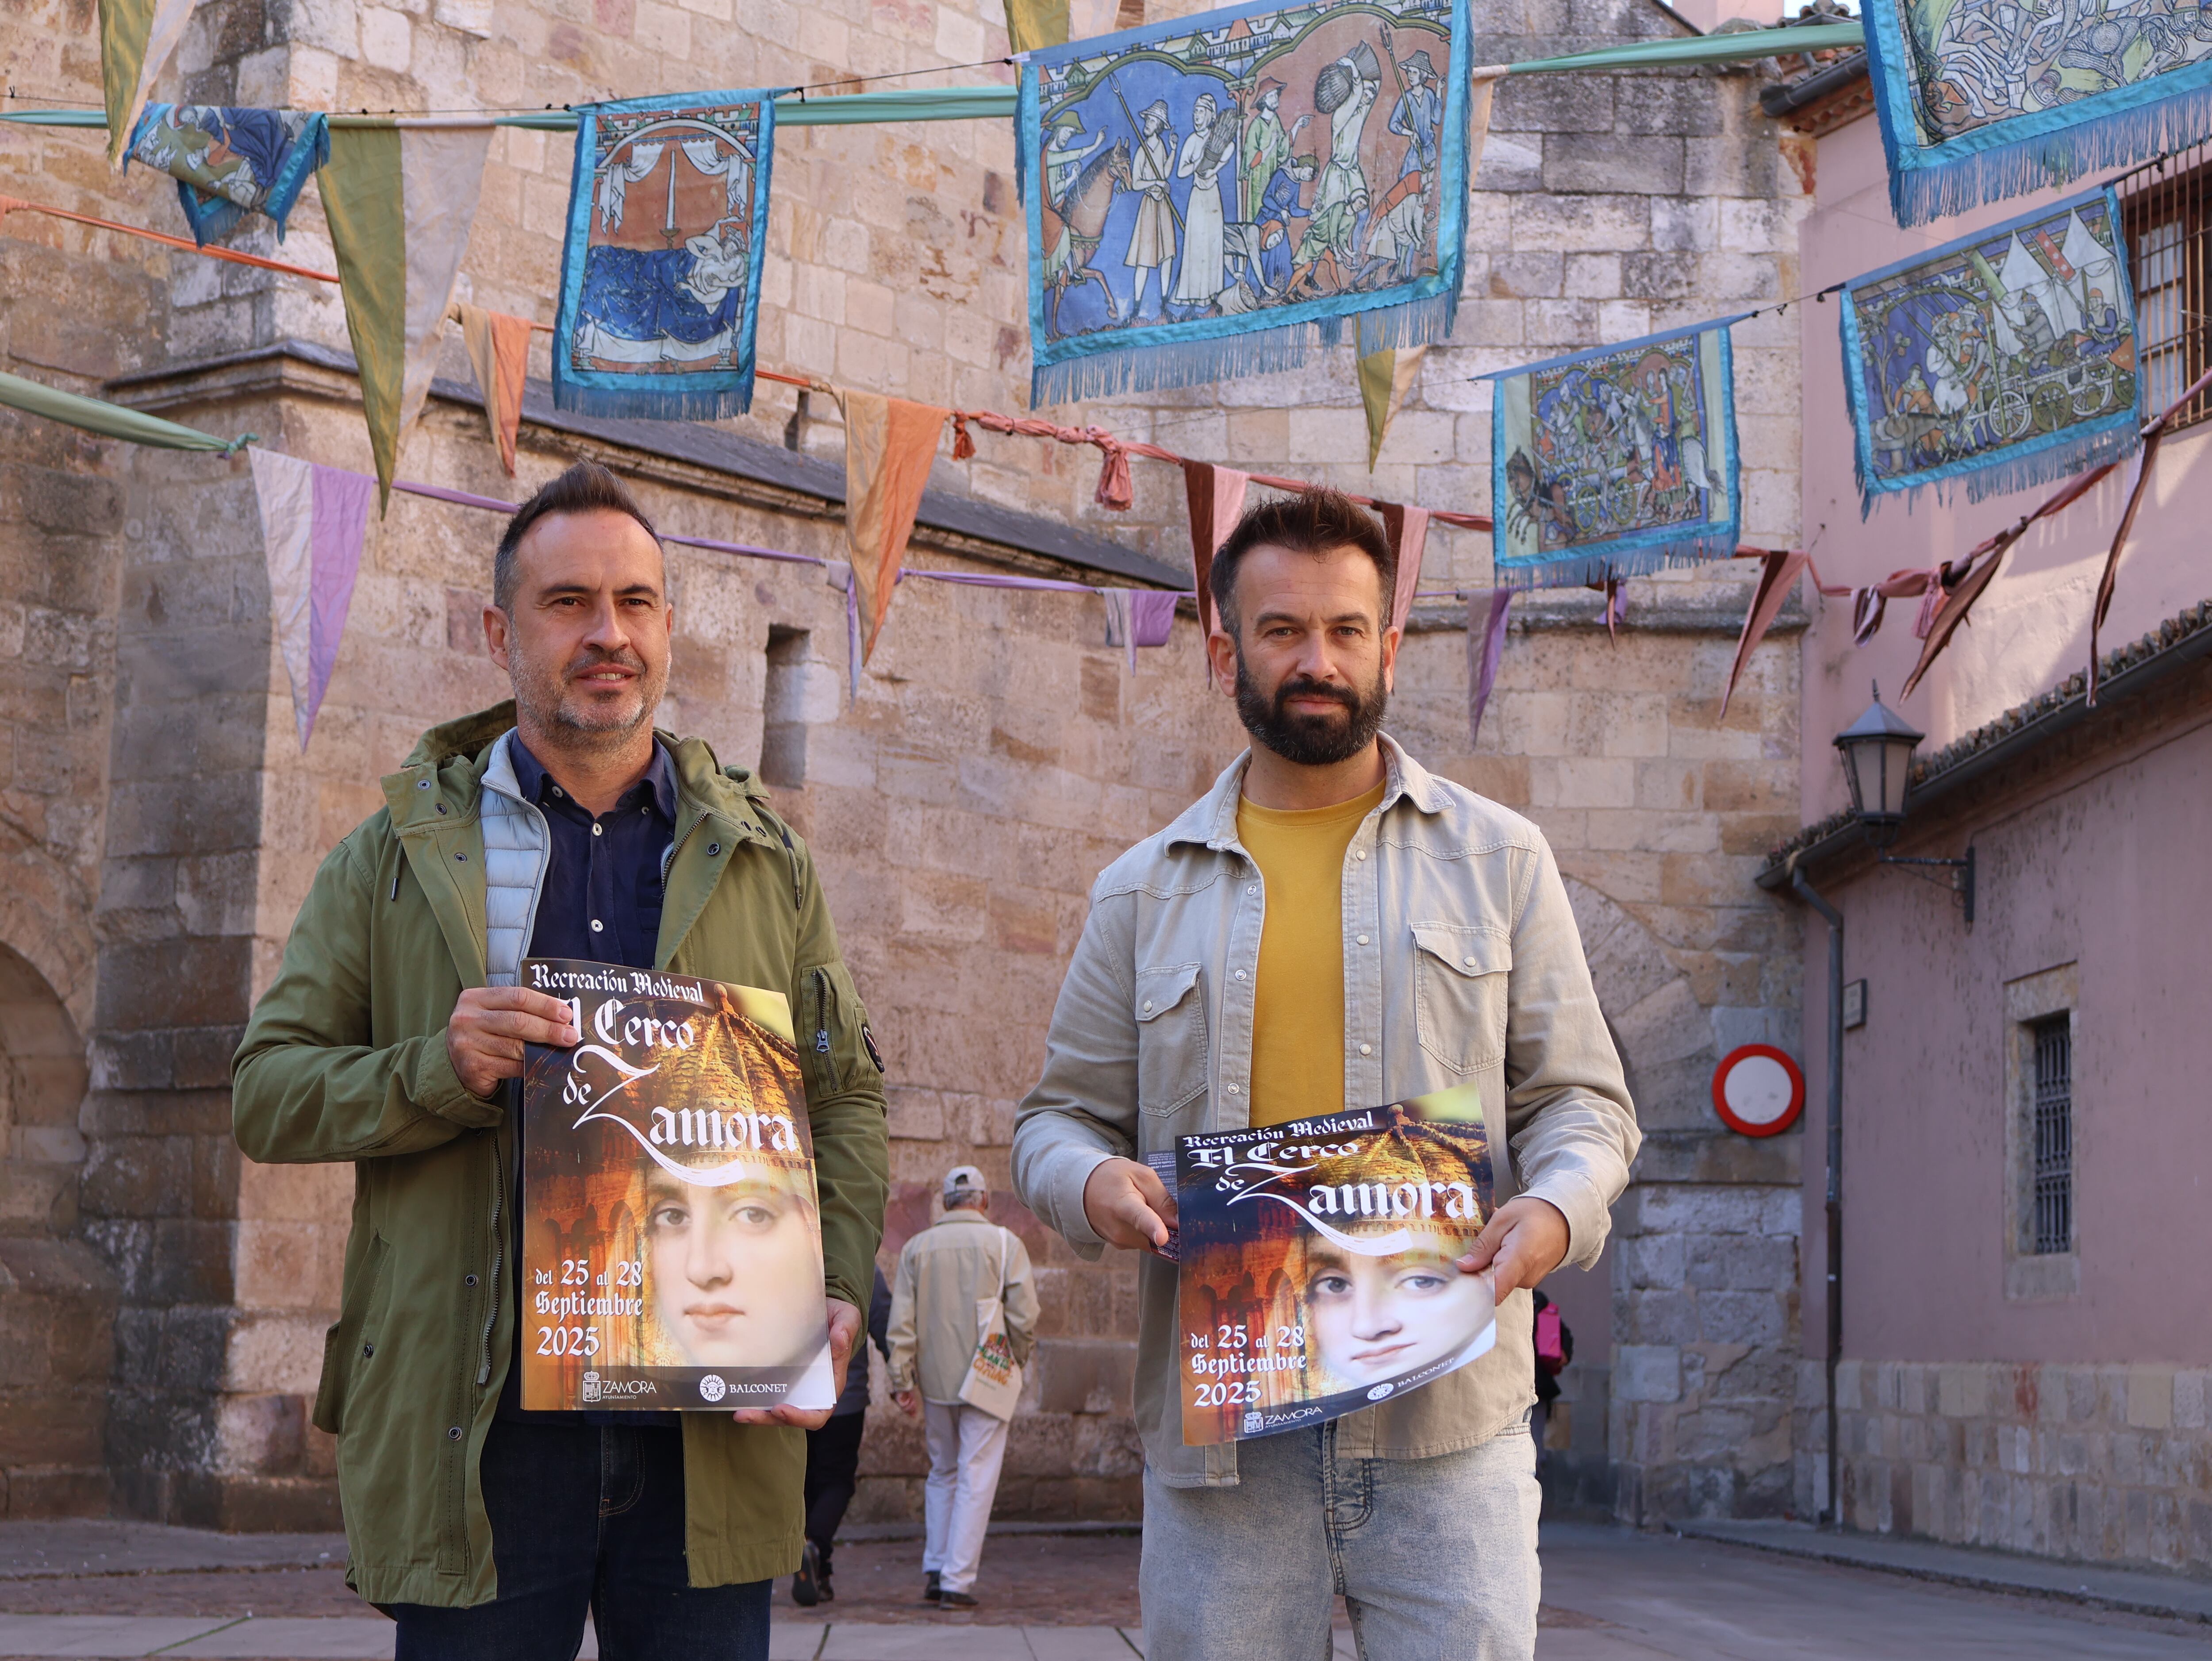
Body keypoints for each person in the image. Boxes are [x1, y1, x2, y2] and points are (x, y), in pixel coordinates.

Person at [231, 461, 890, 1661]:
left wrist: (839, 1283)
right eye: (569, 602)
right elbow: (267, 1091)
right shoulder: (390, 856)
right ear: (500, 630)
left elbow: (840, 1089)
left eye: (636, 603)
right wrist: (435, 1068)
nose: (608, 634)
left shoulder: (766, 860)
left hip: (708, 1423)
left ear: (669, 628)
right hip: (478, 1428)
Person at [1012, 488, 1639, 1661]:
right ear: (1224, 649)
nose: (1318, 660)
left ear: (1390, 649)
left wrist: (1556, 1211)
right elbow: (1055, 1119)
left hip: (1448, 1434)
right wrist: (1092, 1185)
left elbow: (1582, 1102)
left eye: (1348, 630)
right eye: (1283, 630)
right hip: (1225, 1448)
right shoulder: (1138, 891)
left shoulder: (1503, 860)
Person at [887, 1166, 1038, 1611]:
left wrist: (902, 1379)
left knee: (943, 1470)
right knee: (976, 1472)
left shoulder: (916, 1248)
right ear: (983, 1201)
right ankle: (956, 1578)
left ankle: (936, 1566)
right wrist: (1016, 1358)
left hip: (935, 1379)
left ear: (946, 1203)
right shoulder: (1004, 1243)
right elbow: (1024, 1316)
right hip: (988, 1374)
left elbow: (902, 1322)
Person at [794, 1264, 894, 1607]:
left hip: (794, 1395)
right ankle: (817, 1547)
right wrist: (901, 1375)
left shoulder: (786, 1259)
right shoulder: (860, 1266)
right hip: (844, 1397)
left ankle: (817, 1564)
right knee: (837, 1480)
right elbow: (884, 1322)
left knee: (804, 1481)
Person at [1168, 93, 1231, 314]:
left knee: (1213, 243)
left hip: (1212, 195)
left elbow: (1230, 148)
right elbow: (1181, 171)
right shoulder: (1192, 141)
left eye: (1201, 112)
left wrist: (1215, 169)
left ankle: (1212, 294)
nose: (1197, 116)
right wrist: (1198, 162)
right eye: (1195, 111)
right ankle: (1194, 296)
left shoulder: (1216, 137)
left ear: (1211, 116)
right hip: (1197, 198)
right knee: (1196, 244)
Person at [1124, 100, 1177, 322]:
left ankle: (1164, 305)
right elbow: (1135, 183)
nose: (1147, 123)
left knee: (1168, 257)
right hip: (1148, 207)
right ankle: (1136, 309)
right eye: (1147, 119)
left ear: (1159, 126)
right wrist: (1156, 182)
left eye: (1152, 120)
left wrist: (1173, 151)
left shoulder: (1161, 147)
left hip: (1162, 206)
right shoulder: (1142, 150)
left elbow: (1165, 172)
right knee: (1144, 260)